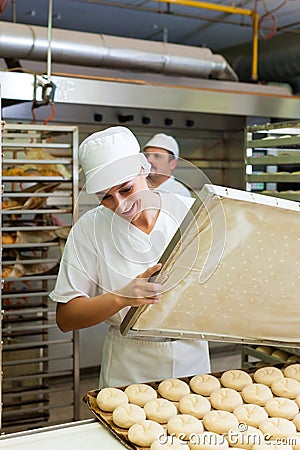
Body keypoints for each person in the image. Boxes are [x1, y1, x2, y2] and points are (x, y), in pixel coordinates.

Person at [50, 126, 210, 388]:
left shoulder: (191, 213)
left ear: (144, 170)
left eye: (126, 190)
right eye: (106, 198)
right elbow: (66, 318)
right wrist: (119, 297)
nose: (120, 206)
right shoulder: (89, 228)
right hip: (128, 366)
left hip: (191, 359)